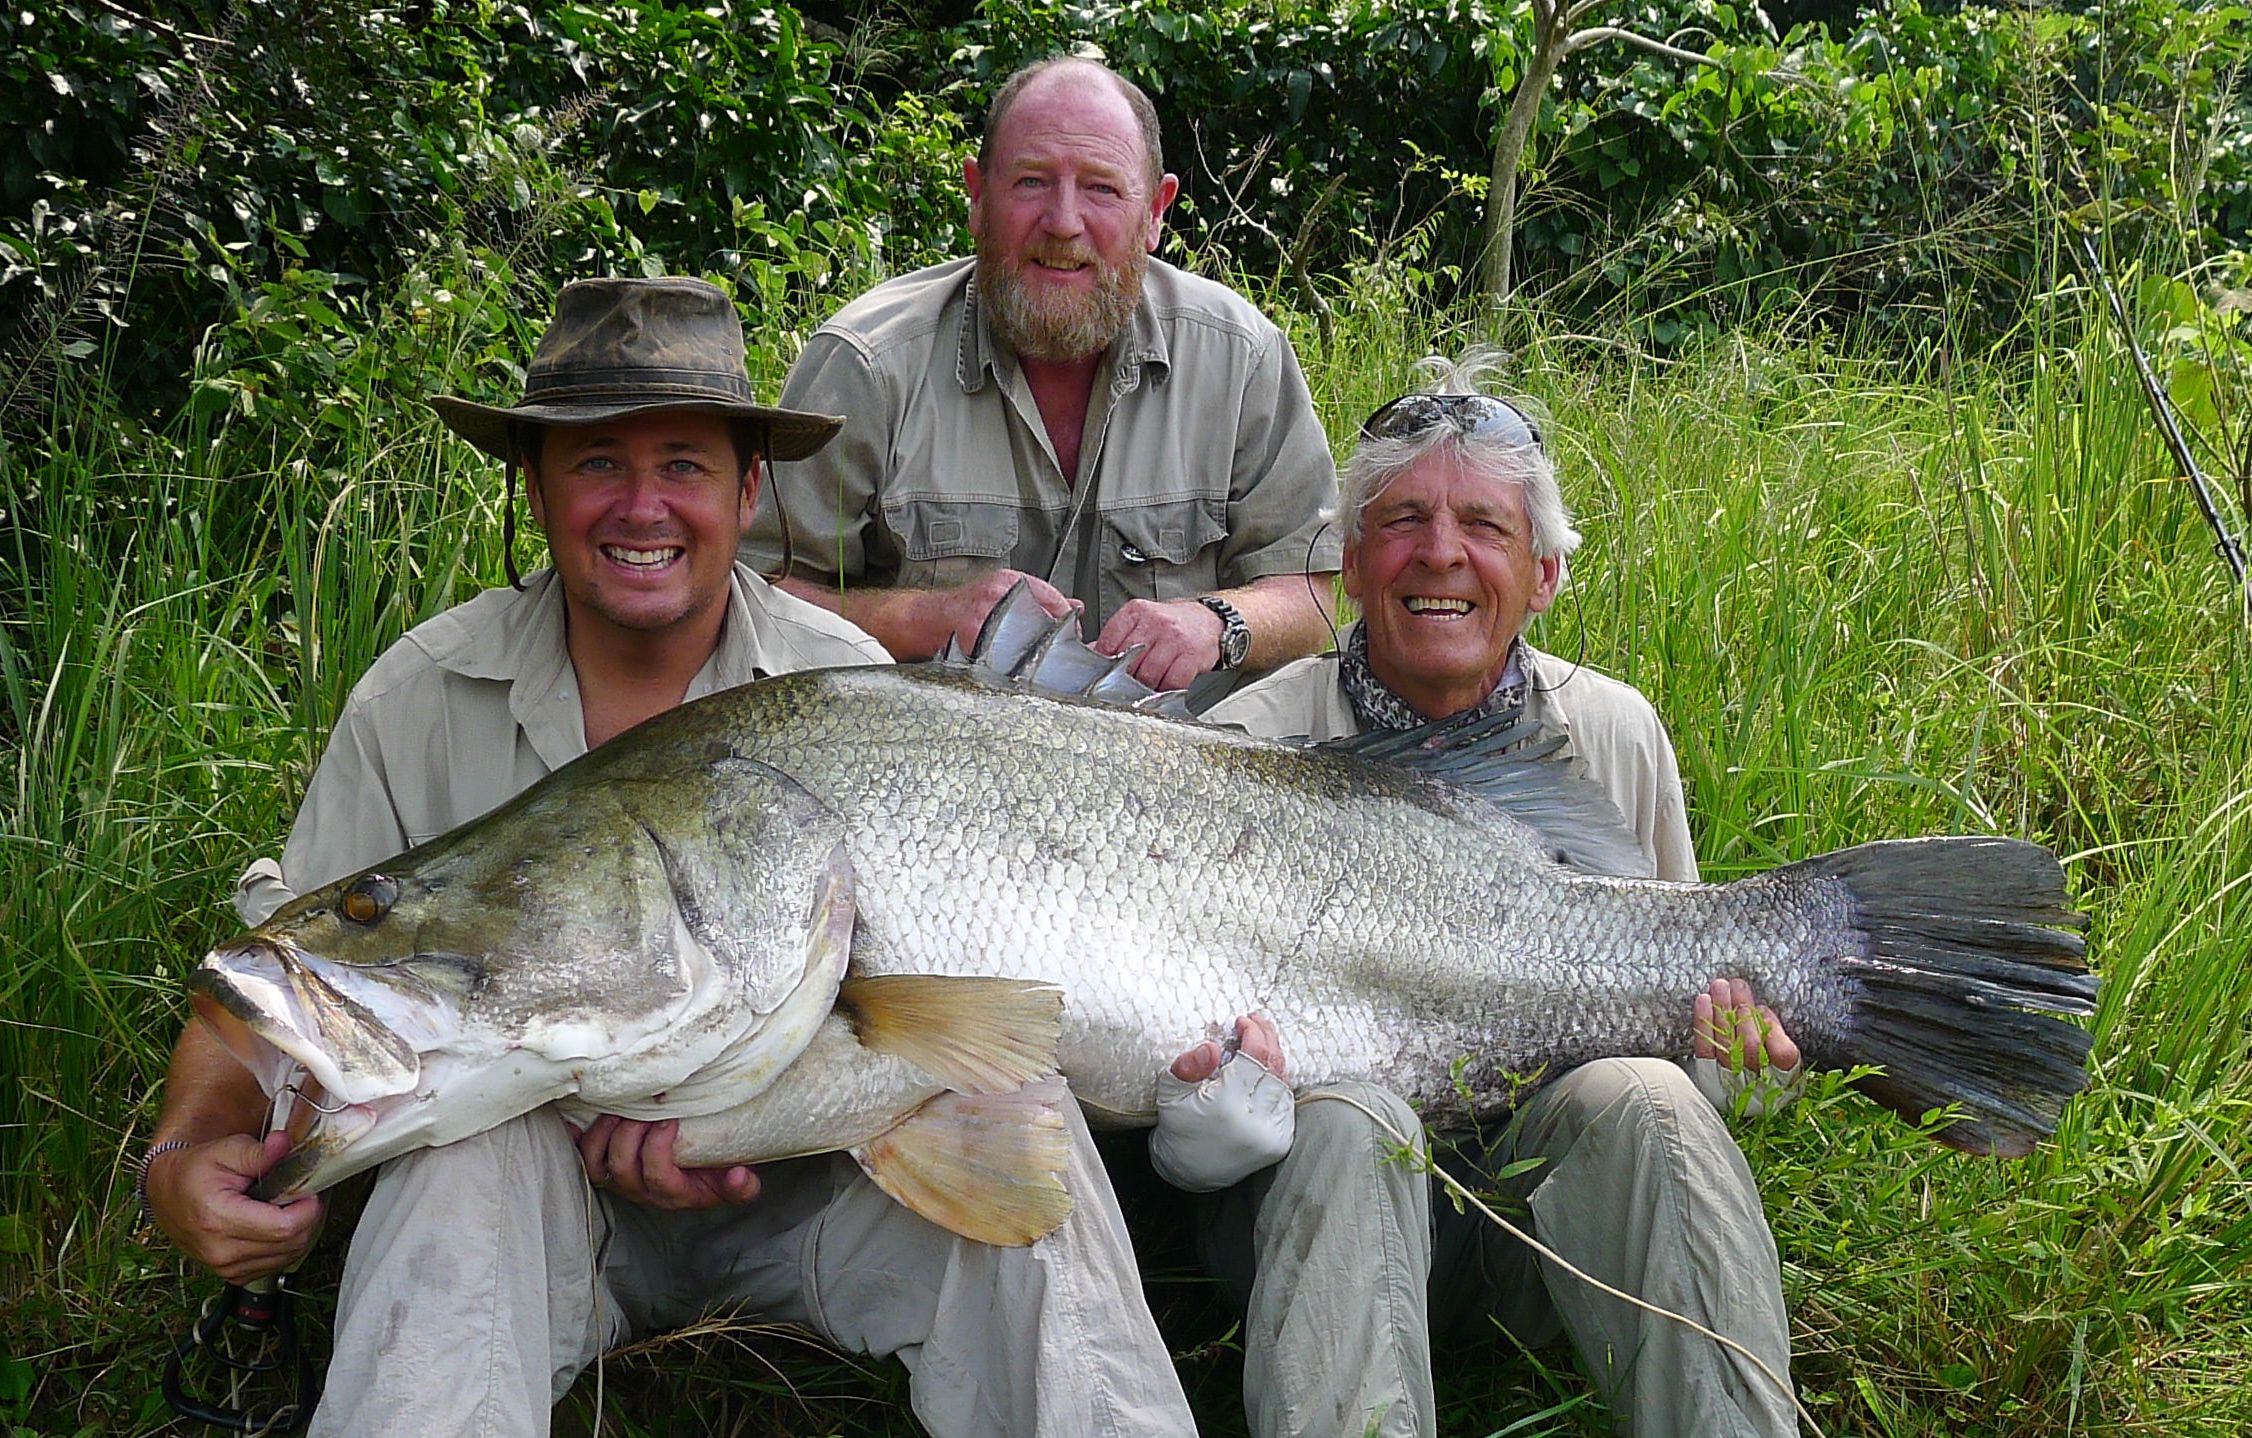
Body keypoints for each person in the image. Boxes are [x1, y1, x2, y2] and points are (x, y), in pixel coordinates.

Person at [137, 276, 1198, 1438]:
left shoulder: (837, 688)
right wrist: (184, 1156)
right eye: (595, 462)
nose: (641, 506)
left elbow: (965, 1021)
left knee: (1014, 1110)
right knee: (448, 1170)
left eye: (684, 464)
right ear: (533, 486)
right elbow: (266, 987)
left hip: (822, 1190)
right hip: (537, 1203)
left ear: (749, 490)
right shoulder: (419, 691)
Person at [1159, 351, 1804, 1438]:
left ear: (1544, 573)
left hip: (1537, 1229)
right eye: (1401, 520)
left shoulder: (1613, 733)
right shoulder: (1243, 744)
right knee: (1352, 1116)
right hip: (1300, 1219)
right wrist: (1196, 1125)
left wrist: (1732, 1070)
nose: (1439, 552)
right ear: (1351, 568)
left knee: (1645, 1099)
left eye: (1484, 527)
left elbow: (1683, 1000)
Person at [743, 55, 1340, 696]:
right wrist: (926, 617)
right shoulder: (866, 366)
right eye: (1031, 182)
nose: (1062, 222)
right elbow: (755, 592)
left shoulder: (1241, 361)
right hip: (932, 775)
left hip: (1179, 774)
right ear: (977, 196)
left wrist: (1215, 624)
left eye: (1102, 188)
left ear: (1156, 211)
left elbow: (1310, 595)